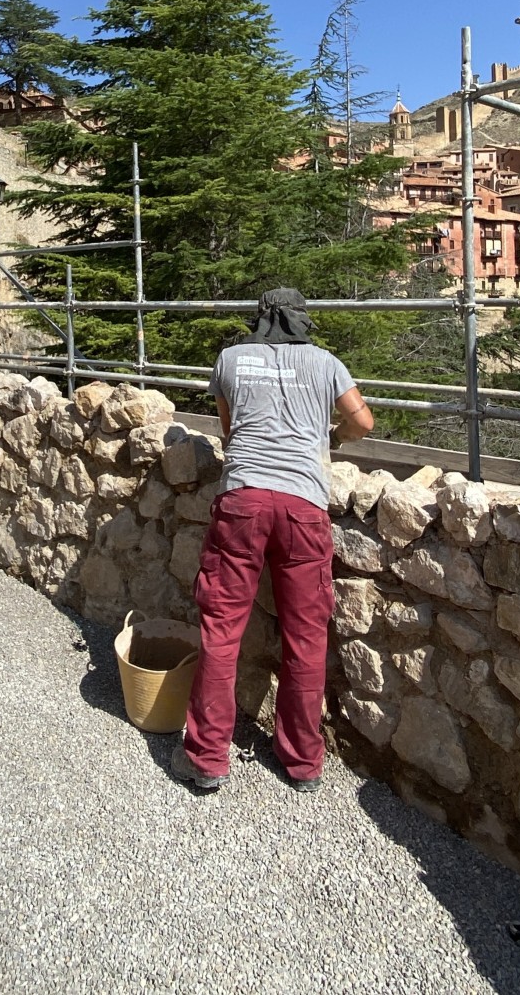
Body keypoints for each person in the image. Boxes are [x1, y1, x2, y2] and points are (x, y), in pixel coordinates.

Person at [170, 287, 373, 793]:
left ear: (260, 320)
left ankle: (207, 758)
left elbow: (229, 429)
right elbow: (363, 421)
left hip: (242, 501)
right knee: (306, 637)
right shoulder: (326, 363)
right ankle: (303, 763)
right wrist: (334, 438)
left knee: (222, 630)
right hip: (303, 506)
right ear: (303, 321)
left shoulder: (230, 360)